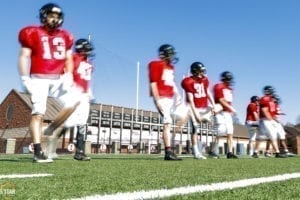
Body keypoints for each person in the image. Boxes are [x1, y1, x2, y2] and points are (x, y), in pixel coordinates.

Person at [18, 3, 77, 163]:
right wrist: (24, 77)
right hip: (38, 77)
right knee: (38, 114)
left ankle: (51, 128)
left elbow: (68, 58)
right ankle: (38, 151)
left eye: (57, 16)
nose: (54, 19)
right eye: (51, 15)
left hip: (58, 77)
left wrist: (69, 75)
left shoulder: (66, 36)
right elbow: (24, 56)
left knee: (74, 103)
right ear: (44, 16)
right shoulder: (32, 32)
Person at [47, 38, 95, 161]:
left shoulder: (89, 64)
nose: (89, 51)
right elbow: (64, 72)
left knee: (83, 123)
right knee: (69, 122)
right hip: (74, 94)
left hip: (84, 96)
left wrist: (89, 92)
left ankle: (79, 152)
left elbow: (86, 80)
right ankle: (51, 145)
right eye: (87, 48)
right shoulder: (73, 58)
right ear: (81, 48)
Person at [148, 44, 182, 161]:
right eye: (171, 54)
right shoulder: (155, 64)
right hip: (161, 97)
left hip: (169, 98)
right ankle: (168, 152)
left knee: (169, 122)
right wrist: (157, 100)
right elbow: (153, 83)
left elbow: (171, 82)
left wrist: (177, 94)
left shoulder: (171, 67)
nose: (172, 56)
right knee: (167, 122)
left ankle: (169, 151)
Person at [181, 62, 216, 159]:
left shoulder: (204, 80)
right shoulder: (188, 82)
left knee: (214, 127)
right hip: (194, 107)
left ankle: (212, 151)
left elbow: (207, 92)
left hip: (204, 107)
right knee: (195, 130)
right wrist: (195, 113)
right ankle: (196, 153)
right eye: (201, 71)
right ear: (195, 71)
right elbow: (190, 100)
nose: (203, 73)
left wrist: (213, 105)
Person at [252, 86, 287, 158]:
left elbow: (272, 113)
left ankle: (255, 152)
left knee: (261, 137)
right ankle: (277, 153)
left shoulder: (271, 100)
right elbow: (264, 111)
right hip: (266, 120)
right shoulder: (265, 98)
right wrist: (271, 121)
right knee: (273, 135)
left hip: (266, 120)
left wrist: (275, 119)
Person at [210, 71, 238, 159]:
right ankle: (212, 151)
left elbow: (228, 101)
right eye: (228, 79)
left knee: (230, 132)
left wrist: (230, 109)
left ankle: (229, 152)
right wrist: (231, 108)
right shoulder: (219, 86)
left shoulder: (230, 89)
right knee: (219, 132)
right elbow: (221, 100)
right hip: (220, 112)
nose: (229, 81)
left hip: (227, 112)